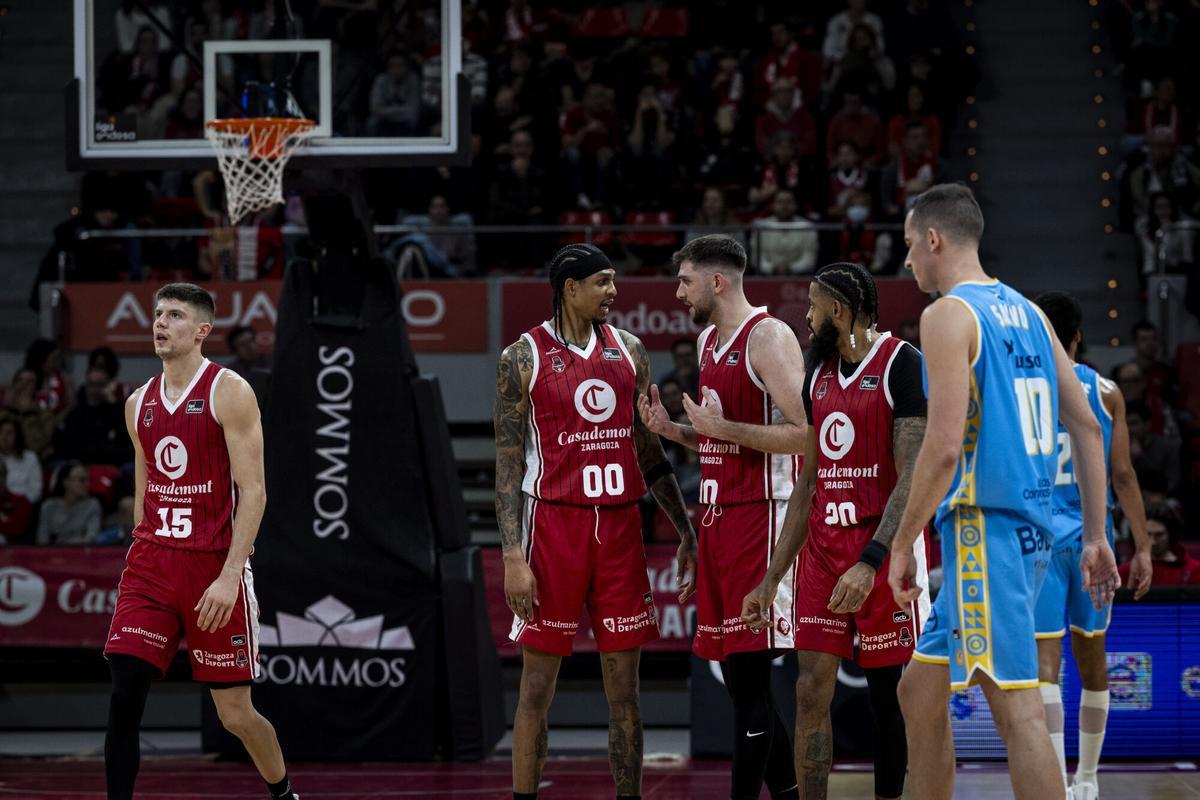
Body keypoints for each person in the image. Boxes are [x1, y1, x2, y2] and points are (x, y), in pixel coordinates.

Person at [885, 184, 1119, 800]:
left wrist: (902, 543)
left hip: (981, 529)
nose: (907, 260)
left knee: (1016, 708)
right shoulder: (1032, 314)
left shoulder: (947, 315)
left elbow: (938, 450)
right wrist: (1095, 535)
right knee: (918, 693)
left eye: (909, 245)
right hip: (1033, 531)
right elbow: (1088, 425)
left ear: (933, 240)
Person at [494, 245, 698, 800]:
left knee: (625, 694)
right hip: (552, 530)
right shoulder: (522, 357)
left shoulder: (630, 350)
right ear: (570, 288)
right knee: (537, 690)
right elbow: (507, 465)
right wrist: (513, 556)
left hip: (620, 531)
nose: (614, 292)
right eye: (603, 283)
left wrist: (686, 530)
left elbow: (649, 452)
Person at [102, 284, 298, 800]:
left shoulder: (229, 391)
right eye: (158, 314)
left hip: (214, 566)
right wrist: (139, 553)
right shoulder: (136, 403)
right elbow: (144, 493)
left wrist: (231, 575)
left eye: (175, 316)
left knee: (235, 714)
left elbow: (253, 492)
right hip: (151, 564)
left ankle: (283, 793)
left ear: (203, 331)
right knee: (125, 691)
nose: (161, 323)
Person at [742, 261, 927, 800]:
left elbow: (911, 478)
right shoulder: (816, 376)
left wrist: (871, 562)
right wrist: (772, 576)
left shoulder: (900, 364)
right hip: (823, 553)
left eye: (812, 306)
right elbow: (807, 486)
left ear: (838, 311)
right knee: (808, 690)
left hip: (882, 553)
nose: (806, 316)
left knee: (885, 698)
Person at [640, 234, 807, 800]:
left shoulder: (769, 336)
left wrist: (720, 431)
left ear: (717, 280)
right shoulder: (710, 341)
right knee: (741, 682)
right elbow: (721, 444)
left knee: (751, 677)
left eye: (684, 280)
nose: (676, 291)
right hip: (719, 519)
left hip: (762, 519)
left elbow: (808, 433)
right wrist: (672, 432)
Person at [1032, 292, 1154, 800]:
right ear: (1078, 337)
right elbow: (1123, 475)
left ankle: (1057, 782)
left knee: (1045, 666)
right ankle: (1088, 778)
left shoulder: (1026, 389)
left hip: (1037, 540)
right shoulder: (1106, 392)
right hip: (1093, 539)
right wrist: (1143, 546)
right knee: (1094, 658)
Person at [1118, 503, 1200, 584]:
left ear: (1171, 535)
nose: (1153, 542)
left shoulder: (1194, 571)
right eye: (1147, 534)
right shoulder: (1126, 572)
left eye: (1159, 535)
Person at [35, 462, 102, 546]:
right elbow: (42, 540)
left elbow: (91, 538)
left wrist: (63, 544)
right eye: (82, 480)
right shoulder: (49, 506)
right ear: (66, 482)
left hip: (81, 554)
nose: (87, 484)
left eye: (88, 480)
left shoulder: (92, 505)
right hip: (53, 556)